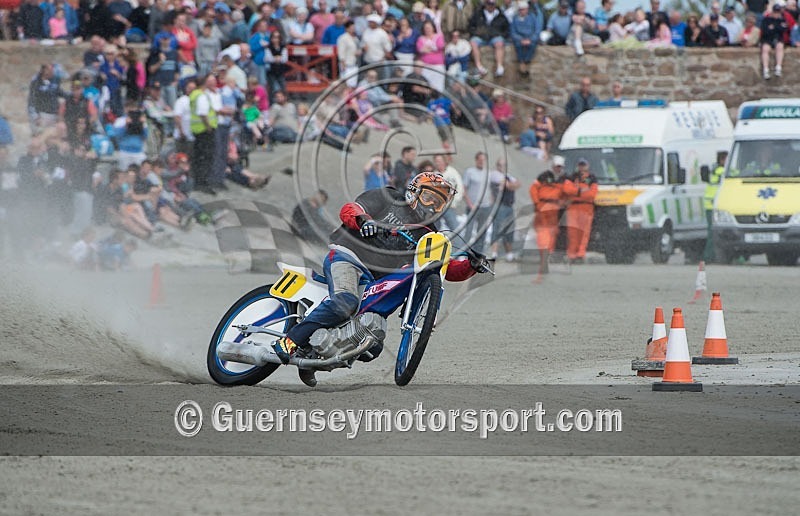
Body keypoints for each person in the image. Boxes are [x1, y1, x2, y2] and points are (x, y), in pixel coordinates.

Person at [271, 172, 490, 386]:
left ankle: (311, 358)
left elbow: (442, 268)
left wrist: (470, 265)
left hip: (372, 280)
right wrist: (365, 221)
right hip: (348, 257)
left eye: (439, 203)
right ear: (414, 191)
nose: (432, 206)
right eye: (428, 197)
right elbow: (350, 209)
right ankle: (289, 341)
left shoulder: (428, 234)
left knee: (372, 347)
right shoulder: (389, 197)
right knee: (345, 301)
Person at [529, 155, 565, 279]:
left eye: (560, 167)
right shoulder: (544, 176)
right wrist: (537, 203)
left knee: (553, 232)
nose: (558, 169)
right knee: (542, 231)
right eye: (557, 166)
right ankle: (543, 253)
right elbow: (533, 189)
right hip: (543, 206)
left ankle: (548, 253)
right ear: (553, 166)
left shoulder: (563, 179)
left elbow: (566, 193)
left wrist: (563, 202)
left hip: (555, 209)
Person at [562, 158, 597, 264]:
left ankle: (580, 254)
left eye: (584, 165)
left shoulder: (592, 178)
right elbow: (566, 189)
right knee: (572, 232)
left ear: (587, 166)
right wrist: (581, 191)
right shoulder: (571, 177)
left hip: (587, 208)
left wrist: (575, 192)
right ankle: (572, 254)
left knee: (584, 233)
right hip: (573, 208)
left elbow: (592, 194)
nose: (582, 167)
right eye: (580, 165)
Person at [190, 74, 219, 195]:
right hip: (204, 131)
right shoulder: (201, 96)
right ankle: (203, 182)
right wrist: (209, 127)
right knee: (206, 157)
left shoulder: (194, 94)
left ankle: (198, 181)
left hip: (197, 130)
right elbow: (203, 113)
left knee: (199, 156)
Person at [489, 158, 520, 262]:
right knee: (497, 229)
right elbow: (509, 185)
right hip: (500, 205)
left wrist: (511, 184)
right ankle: (494, 253)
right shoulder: (495, 174)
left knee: (509, 229)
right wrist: (511, 184)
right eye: (500, 165)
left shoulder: (508, 176)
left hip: (509, 205)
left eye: (504, 165)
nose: (502, 167)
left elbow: (517, 184)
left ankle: (509, 254)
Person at [468, 0, 510, 77]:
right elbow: (471, 26)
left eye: (492, 4)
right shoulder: (478, 14)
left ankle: (499, 67)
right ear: (485, 4)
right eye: (488, 4)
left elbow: (506, 29)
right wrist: (476, 33)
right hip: (481, 37)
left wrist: (500, 35)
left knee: (499, 43)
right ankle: (479, 66)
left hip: (494, 37)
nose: (490, 6)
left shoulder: (501, 15)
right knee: (473, 42)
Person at [462, 151, 493, 253]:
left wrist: (491, 202)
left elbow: (491, 189)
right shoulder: (470, 172)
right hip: (473, 206)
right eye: (480, 160)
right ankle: (464, 252)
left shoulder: (489, 173)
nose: (481, 162)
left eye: (483, 160)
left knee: (482, 232)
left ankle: (478, 253)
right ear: (476, 160)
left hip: (486, 207)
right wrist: (469, 204)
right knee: (469, 231)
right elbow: (464, 189)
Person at [703, 151, 726, 262]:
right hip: (715, 205)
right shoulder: (722, 171)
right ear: (722, 160)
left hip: (710, 205)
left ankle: (710, 256)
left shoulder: (714, 170)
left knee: (712, 232)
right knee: (714, 233)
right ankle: (708, 256)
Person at [511, 1, 540, 77]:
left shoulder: (533, 17)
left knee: (532, 45)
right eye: (520, 9)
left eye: (523, 9)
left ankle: (526, 61)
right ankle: (521, 62)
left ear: (527, 9)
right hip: (520, 39)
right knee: (518, 45)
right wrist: (521, 39)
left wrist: (530, 39)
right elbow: (513, 32)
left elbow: (537, 31)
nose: (521, 11)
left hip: (530, 38)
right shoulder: (515, 18)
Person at [760, 4, 789, 79]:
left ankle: (778, 68)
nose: (776, 14)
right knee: (765, 49)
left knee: (780, 46)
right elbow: (765, 31)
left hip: (778, 39)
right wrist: (776, 28)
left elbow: (784, 29)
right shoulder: (766, 20)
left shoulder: (782, 20)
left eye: (778, 12)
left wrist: (773, 27)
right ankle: (765, 70)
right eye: (775, 12)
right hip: (768, 39)